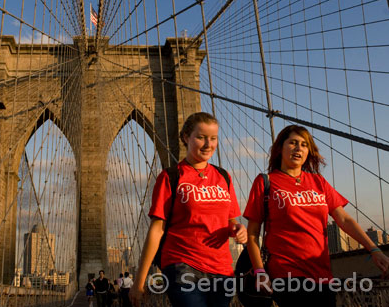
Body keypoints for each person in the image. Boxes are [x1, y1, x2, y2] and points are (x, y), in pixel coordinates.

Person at [244, 125, 389, 307]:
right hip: (287, 274)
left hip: (322, 276)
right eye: (293, 143)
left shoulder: (318, 182)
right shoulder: (266, 182)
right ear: (280, 148)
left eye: (304, 145)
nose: (298, 148)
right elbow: (252, 234)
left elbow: (344, 219)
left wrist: (373, 249)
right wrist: (259, 271)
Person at [129, 112, 247, 307]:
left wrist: (237, 229)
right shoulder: (171, 177)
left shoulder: (223, 176)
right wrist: (139, 282)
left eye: (213, 138)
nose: (208, 144)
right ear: (186, 137)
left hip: (221, 269)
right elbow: (157, 230)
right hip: (182, 266)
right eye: (201, 137)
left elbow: (230, 220)